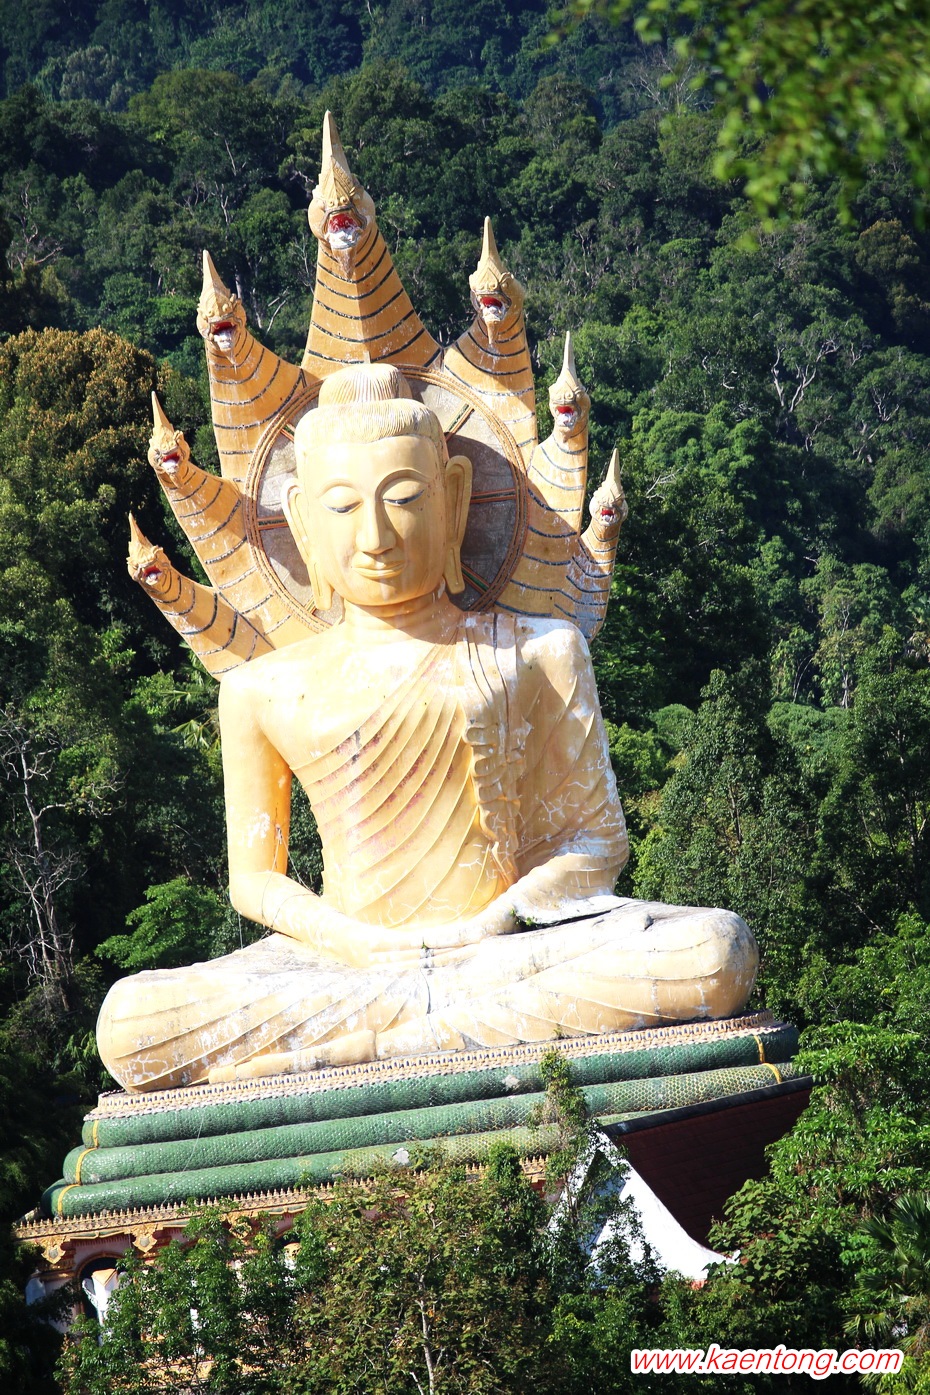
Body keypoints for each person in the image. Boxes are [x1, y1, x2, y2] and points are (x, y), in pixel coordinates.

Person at [97, 364, 758, 1092]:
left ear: (455, 497)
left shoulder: (538, 651)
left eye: (404, 498)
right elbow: (255, 880)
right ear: (302, 520)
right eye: (343, 507)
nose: (375, 536)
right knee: (131, 1024)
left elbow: (596, 845)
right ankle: (436, 1035)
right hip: (345, 968)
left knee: (713, 952)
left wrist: (493, 924)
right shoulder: (260, 688)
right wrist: (354, 942)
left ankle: (375, 1050)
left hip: (503, 954)